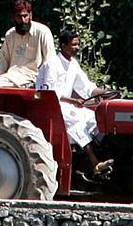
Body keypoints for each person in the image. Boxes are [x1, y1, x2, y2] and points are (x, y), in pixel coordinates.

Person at [36, 28, 112, 175]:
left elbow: (86, 87)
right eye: (74, 45)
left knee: (94, 117)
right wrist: (73, 101)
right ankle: (94, 162)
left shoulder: (73, 64)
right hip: (53, 107)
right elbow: (50, 93)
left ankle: (101, 154)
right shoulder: (52, 64)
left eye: (78, 44)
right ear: (64, 46)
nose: (77, 48)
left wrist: (104, 92)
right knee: (76, 122)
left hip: (69, 106)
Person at [0, 0, 55, 88]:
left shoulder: (42, 32)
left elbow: (50, 62)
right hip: (11, 78)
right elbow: (3, 62)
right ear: (14, 17)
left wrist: (45, 86)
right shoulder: (10, 35)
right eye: (19, 17)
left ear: (30, 15)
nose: (23, 20)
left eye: (25, 16)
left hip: (33, 79)